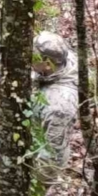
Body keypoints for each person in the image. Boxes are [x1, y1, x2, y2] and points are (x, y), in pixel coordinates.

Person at [32, 31, 78, 187]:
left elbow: (53, 156)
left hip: (39, 162)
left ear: (47, 64)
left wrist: (35, 183)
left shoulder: (59, 107)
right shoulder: (63, 60)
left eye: (33, 59)